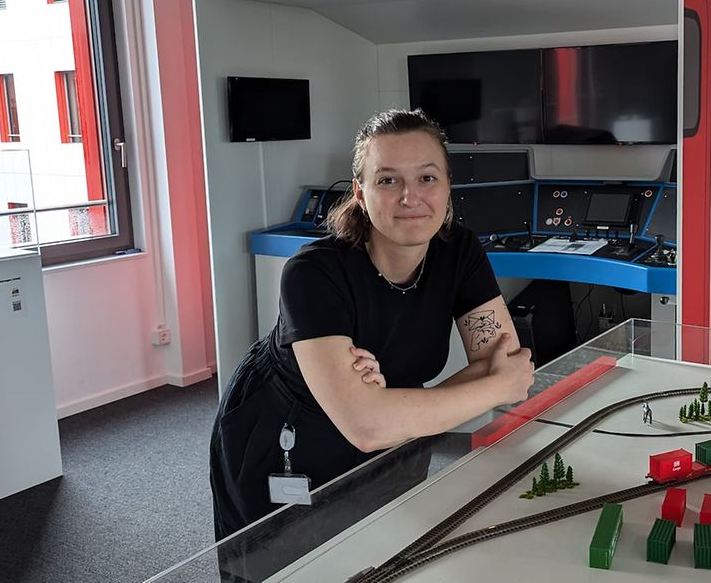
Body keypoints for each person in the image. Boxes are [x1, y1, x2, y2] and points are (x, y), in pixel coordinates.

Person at [209, 109, 535, 546]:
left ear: (448, 186)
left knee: (388, 554)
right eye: (387, 180)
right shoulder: (312, 272)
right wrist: (493, 390)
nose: (409, 196)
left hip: (399, 438)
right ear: (360, 194)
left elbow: (499, 360)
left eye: (426, 178)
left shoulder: (459, 250)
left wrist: (387, 409)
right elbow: (368, 427)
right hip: (287, 439)